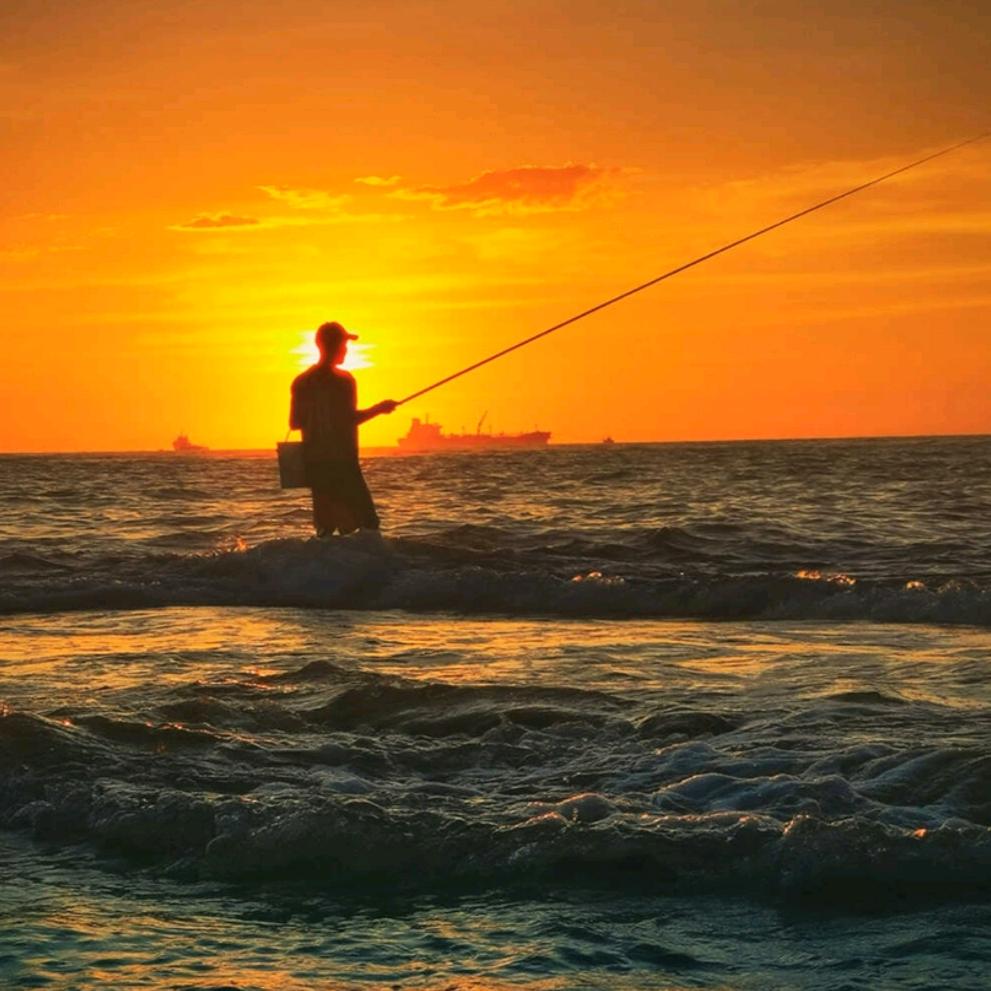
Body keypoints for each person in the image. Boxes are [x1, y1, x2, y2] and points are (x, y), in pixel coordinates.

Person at [290, 321, 396, 537]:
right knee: (368, 524)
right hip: (343, 461)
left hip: (315, 463)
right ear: (334, 346)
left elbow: (295, 422)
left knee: (326, 529)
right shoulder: (344, 381)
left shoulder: (301, 382)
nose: (346, 350)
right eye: (344, 345)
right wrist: (379, 409)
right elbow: (348, 419)